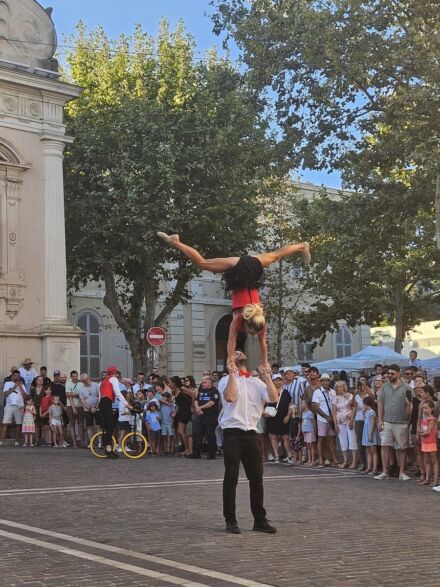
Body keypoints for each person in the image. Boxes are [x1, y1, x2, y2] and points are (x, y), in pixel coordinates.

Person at [157, 231, 310, 369]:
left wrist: (264, 363)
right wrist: (232, 360)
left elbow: (262, 344)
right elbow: (232, 341)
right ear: (247, 321)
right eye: (251, 332)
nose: (251, 334)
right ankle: (175, 242)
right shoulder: (238, 319)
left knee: (276, 255)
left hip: (251, 267)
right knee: (203, 263)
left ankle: (302, 246)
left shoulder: (258, 321)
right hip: (240, 271)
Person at [219, 351, 278, 534]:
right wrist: (231, 373)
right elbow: (229, 397)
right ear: (230, 360)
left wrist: (267, 376)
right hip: (232, 433)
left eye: (240, 350)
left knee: (256, 478)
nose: (238, 351)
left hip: (252, 433)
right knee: (231, 477)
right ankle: (230, 520)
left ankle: (259, 520)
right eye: (233, 352)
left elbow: (274, 398)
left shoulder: (256, 382)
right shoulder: (224, 381)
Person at [375, 364, 412, 481]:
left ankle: (401, 472)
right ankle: (385, 472)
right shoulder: (384, 387)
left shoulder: (407, 388)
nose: (389, 375)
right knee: (384, 446)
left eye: (392, 373)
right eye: (388, 374)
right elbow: (380, 404)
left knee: (401, 448)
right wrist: (380, 420)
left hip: (401, 422)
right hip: (387, 421)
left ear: (398, 373)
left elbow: (410, 406)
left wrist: (408, 417)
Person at [98, 365, 130, 459]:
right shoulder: (113, 379)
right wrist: (126, 403)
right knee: (109, 426)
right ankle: (108, 449)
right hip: (107, 402)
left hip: (103, 403)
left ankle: (108, 447)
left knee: (110, 424)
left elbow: (100, 395)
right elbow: (118, 393)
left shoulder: (104, 381)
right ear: (115, 373)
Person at [265, 373, 293, 464]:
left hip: (283, 417)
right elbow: (261, 404)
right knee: (273, 437)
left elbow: (290, 405)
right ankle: (276, 455)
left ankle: (289, 455)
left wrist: (288, 416)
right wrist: (264, 413)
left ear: (282, 381)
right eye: (276, 380)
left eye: (279, 380)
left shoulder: (286, 392)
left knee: (286, 437)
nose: (278, 382)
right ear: (272, 382)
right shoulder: (268, 391)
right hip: (272, 417)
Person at [312, 373, 338, 468]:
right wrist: (326, 416)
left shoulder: (333, 392)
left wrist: (332, 417)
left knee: (331, 439)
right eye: (323, 380)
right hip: (322, 419)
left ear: (329, 381)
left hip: (331, 418)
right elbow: (316, 407)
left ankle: (333, 458)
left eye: (326, 380)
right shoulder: (317, 392)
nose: (325, 382)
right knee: (321, 439)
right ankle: (321, 460)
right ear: (320, 381)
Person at [192, 376, 219, 459]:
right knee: (197, 434)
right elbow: (196, 400)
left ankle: (212, 454)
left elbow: (211, 403)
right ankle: (196, 453)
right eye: (202, 382)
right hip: (200, 415)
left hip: (210, 416)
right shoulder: (201, 390)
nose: (202, 384)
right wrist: (197, 407)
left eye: (204, 382)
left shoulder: (214, 391)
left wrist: (200, 408)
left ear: (210, 383)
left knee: (210, 435)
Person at [332, 381, 357, 469]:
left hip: (349, 420)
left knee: (352, 440)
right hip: (340, 421)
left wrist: (352, 419)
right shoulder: (335, 398)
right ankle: (345, 461)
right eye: (337, 387)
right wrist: (335, 424)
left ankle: (354, 462)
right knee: (343, 441)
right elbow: (334, 412)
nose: (339, 388)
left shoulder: (350, 396)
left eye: (341, 386)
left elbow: (354, 407)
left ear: (344, 387)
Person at [0, 370, 28, 446]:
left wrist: (21, 387)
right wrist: (14, 387)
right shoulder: (7, 383)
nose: (16, 377)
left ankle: (16, 440)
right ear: (12, 376)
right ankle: (1, 441)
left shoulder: (22, 384)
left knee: (18, 423)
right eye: (15, 375)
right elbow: (5, 394)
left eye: (18, 376)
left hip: (19, 406)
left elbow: (26, 396)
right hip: (9, 406)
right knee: (5, 423)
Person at [353, 377, 374, 471]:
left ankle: (372, 464)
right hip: (359, 419)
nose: (362, 386)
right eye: (360, 384)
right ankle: (363, 463)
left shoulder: (368, 394)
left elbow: (372, 397)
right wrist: (351, 419)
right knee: (360, 442)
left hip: (369, 420)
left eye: (363, 383)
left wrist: (365, 386)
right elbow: (354, 408)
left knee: (370, 442)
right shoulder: (356, 396)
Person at [418, 400, 438, 486]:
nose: (424, 410)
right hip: (424, 442)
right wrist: (422, 432)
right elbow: (419, 429)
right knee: (426, 461)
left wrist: (422, 433)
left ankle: (435, 480)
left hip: (431, 442)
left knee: (434, 461)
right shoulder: (423, 419)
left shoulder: (432, 419)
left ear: (431, 408)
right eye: (423, 408)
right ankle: (427, 479)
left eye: (426, 408)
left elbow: (428, 432)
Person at [78, 373, 100, 445]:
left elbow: (99, 397)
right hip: (87, 409)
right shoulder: (81, 388)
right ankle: (91, 442)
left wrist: (96, 407)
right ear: (82, 381)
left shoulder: (96, 385)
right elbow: (82, 400)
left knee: (98, 425)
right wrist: (90, 408)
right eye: (84, 380)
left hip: (97, 408)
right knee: (89, 426)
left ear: (89, 378)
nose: (86, 381)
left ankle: (100, 442)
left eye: (87, 379)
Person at [362, 396, 380, 475]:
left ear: (366, 404)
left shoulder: (372, 412)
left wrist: (370, 433)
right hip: (366, 431)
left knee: (373, 451)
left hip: (370, 431)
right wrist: (363, 412)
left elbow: (373, 423)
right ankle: (369, 467)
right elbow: (364, 420)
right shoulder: (366, 412)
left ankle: (375, 468)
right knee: (368, 451)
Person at [66, 371, 84, 448]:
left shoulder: (81, 384)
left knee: (81, 424)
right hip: (70, 406)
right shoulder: (68, 384)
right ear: (71, 377)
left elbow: (82, 394)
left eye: (76, 376)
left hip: (80, 406)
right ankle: (74, 442)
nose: (75, 378)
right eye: (73, 376)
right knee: (72, 424)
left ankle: (81, 441)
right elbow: (68, 395)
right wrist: (76, 395)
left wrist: (73, 394)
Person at [301, 399, 316, 465]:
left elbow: (313, 421)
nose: (301, 405)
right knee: (308, 446)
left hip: (310, 430)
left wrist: (315, 429)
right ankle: (309, 460)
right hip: (305, 431)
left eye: (302, 403)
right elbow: (303, 422)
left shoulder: (310, 413)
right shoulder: (303, 413)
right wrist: (302, 429)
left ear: (306, 405)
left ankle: (312, 460)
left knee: (311, 446)